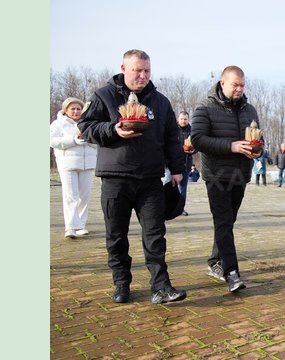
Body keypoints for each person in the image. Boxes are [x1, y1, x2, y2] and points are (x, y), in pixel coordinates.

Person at [77, 49, 187, 304]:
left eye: (147, 70)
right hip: (116, 178)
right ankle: (121, 283)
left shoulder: (160, 102)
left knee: (155, 234)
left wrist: (178, 169)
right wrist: (113, 129)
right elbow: (85, 127)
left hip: (150, 179)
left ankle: (161, 286)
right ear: (124, 68)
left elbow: (172, 137)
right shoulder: (104, 96)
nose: (143, 75)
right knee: (116, 235)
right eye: (137, 70)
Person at [191, 65, 261, 292]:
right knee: (223, 222)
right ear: (223, 83)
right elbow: (198, 139)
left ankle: (215, 262)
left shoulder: (250, 110)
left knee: (227, 222)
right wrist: (231, 146)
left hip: (240, 174)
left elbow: (258, 138)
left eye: (242, 85)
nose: (239, 89)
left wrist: (257, 150)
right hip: (217, 175)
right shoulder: (206, 107)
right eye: (235, 85)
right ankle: (232, 273)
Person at [50, 97, 97, 239]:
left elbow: (98, 142)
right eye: (73, 109)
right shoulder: (59, 124)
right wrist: (73, 140)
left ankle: (81, 225)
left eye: (78, 109)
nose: (76, 111)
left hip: (87, 165)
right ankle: (70, 227)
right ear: (66, 110)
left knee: (84, 196)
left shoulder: (87, 123)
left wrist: (88, 140)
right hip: (68, 165)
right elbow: (52, 141)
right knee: (71, 196)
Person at [177, 111, 196, 216]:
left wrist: (192, 150)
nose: (183, 121)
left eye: (185, 119)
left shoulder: (193, 131)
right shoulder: (172, 129)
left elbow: (197, 145)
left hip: (186, 163)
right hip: (172, 163)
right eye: (181, 119)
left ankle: (180, 209)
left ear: (188, 120)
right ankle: (168, 208)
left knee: (183, 188)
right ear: (178, 119)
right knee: (169, 187)